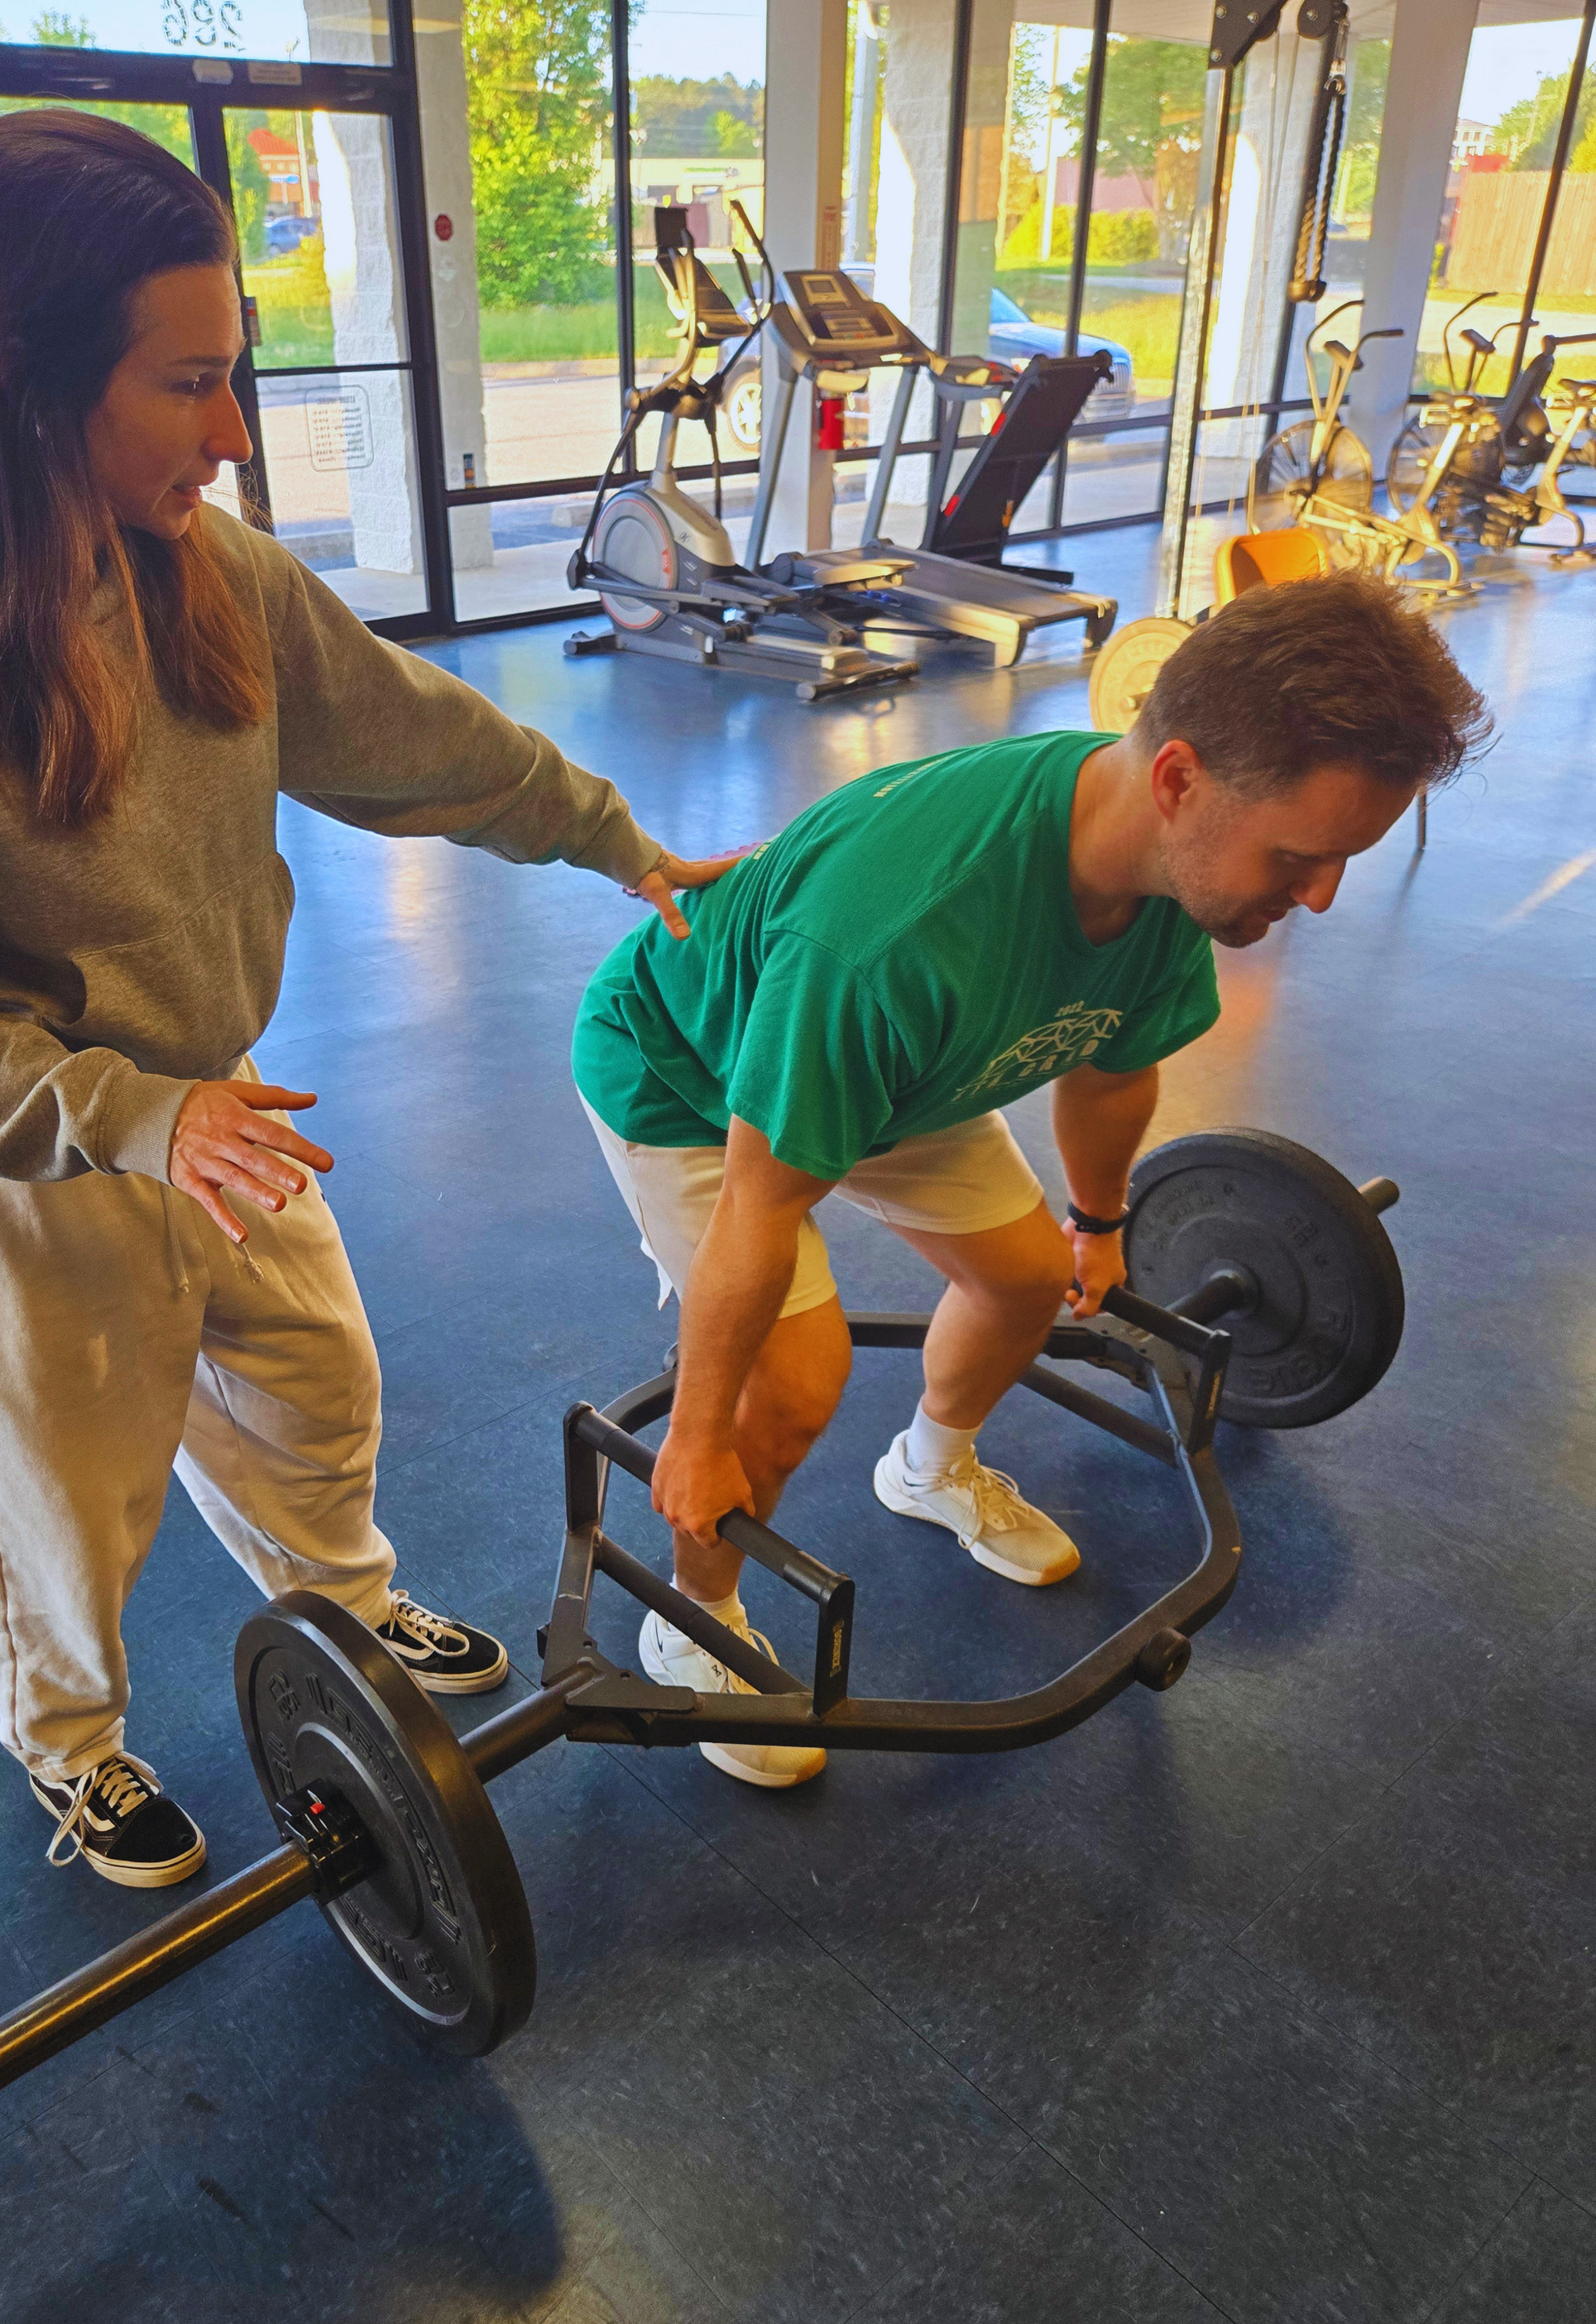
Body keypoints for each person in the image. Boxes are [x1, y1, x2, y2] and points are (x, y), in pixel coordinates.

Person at [0, 111, 730, 1890]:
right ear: (28, 381)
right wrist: (138, 1119)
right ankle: (70, 1744)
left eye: (241, 376)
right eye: (190, 382)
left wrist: (620, 845)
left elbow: (416, 739)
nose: (230, 432)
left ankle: (343, 1609)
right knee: (65, 1492)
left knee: (312, 1384)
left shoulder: (206, 567)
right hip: (28, 1172)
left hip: (225, 1100)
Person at [573, 573, 1491, 1789]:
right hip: (695, 1080)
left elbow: (1111, 1072)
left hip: (906, 1072)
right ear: (1178, 779)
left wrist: (1099, 1223)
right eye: (1299, 857)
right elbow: (761, 1200)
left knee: (1020, 1283)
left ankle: (929, 1469)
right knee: (790, 1382)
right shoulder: (892, 936)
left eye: (1338, 864)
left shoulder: (1171, 862)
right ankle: (693, 1621)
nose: (1316, 896)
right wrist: (693, 1440)